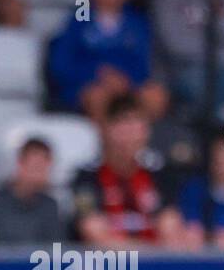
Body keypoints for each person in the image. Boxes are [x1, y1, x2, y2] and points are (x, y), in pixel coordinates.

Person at [47, 0, 158, 119]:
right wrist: (98, 75)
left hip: (129, 85)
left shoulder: (136, 20)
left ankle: (140, 140)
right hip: (89, 86)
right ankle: (107, 142)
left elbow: (146, 62)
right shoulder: (81, 14)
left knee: (154, 96)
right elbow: (62, 64)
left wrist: (126, 80)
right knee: (98, 97)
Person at [72, 96, 171, 246]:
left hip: (154, 266)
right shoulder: (85, 178)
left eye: (139, 125)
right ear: (107, 129)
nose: (132, 134)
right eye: (125, 125)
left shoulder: (159, 175)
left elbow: (171, 231)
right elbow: (94, 232)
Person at [0, 138, 65, 245]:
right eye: (36, 167)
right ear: (20, 164)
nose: (42, 173)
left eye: (45, 168)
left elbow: (55, 248)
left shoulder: (50, 206)